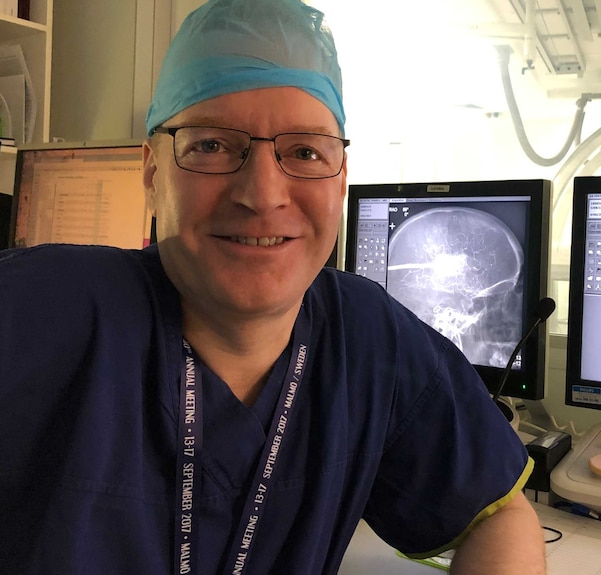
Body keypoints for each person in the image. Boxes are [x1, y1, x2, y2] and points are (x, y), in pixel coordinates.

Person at [0, 0, 546, 574]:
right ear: (154, 172)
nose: (262, 195)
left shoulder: (368, 340)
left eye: (306, 152)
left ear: (339, 186)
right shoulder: (36, 313)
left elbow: (498, 515)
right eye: (210, 144)